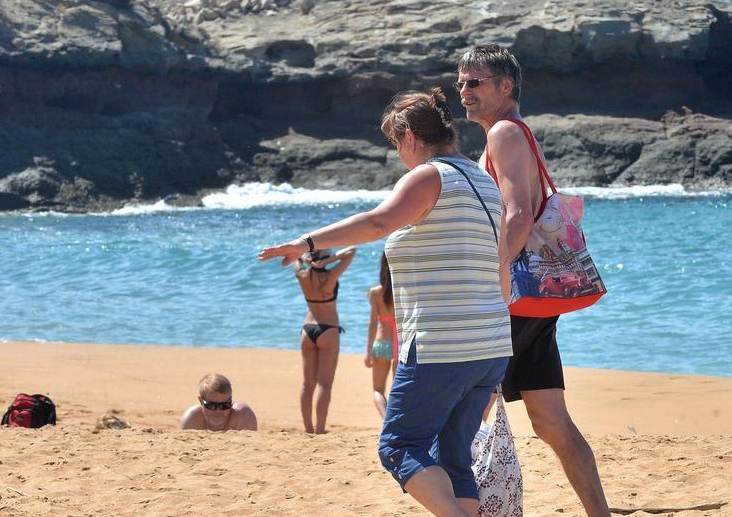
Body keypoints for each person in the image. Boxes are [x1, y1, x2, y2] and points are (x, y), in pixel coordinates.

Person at [259, 86, 511, 516]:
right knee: (455, 456)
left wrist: (306, 242)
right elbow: (501, 268)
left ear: (410, 137)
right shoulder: (483, 182)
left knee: (399, 446)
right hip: (490, 344)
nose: (399, 155)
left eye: (396, 144)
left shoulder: (429, 176)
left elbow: (378, 222)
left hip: (441, 345)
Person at [458, 44, 611, 516]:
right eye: (461, 81)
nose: (464, 91)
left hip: (515, 298)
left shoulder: (504, 132)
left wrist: (492, 278)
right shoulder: (511, 131)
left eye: (475, 82)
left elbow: (519, 214)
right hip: (536, 301)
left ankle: (465, 508)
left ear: (506, 86)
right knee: (550, 420)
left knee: (464, 410)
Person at [295, 245, 356, 434]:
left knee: (307, 384)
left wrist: (305, 259)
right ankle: (320, 430)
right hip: (328, 330)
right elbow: (352, 251)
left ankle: (308, 428)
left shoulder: (303, 276)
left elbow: (294, 257)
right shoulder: (331, 276)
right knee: (325, 384)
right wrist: (329, 261)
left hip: (307, 329)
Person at [364, 253, 399, 418]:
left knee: (378, 390)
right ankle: (394, 422)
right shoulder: (402, 290)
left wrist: (368, 352)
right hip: (401, 345)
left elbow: (372, 324)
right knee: (397, 390)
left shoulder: (375, 292)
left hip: (382, 344)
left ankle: (385, 420)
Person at [179, 373, 258, 431]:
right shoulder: (192, 418)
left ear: (230, 401)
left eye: (224, 405)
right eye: (211, 405)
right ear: (201, 401)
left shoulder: (243, 416)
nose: (218, 411)